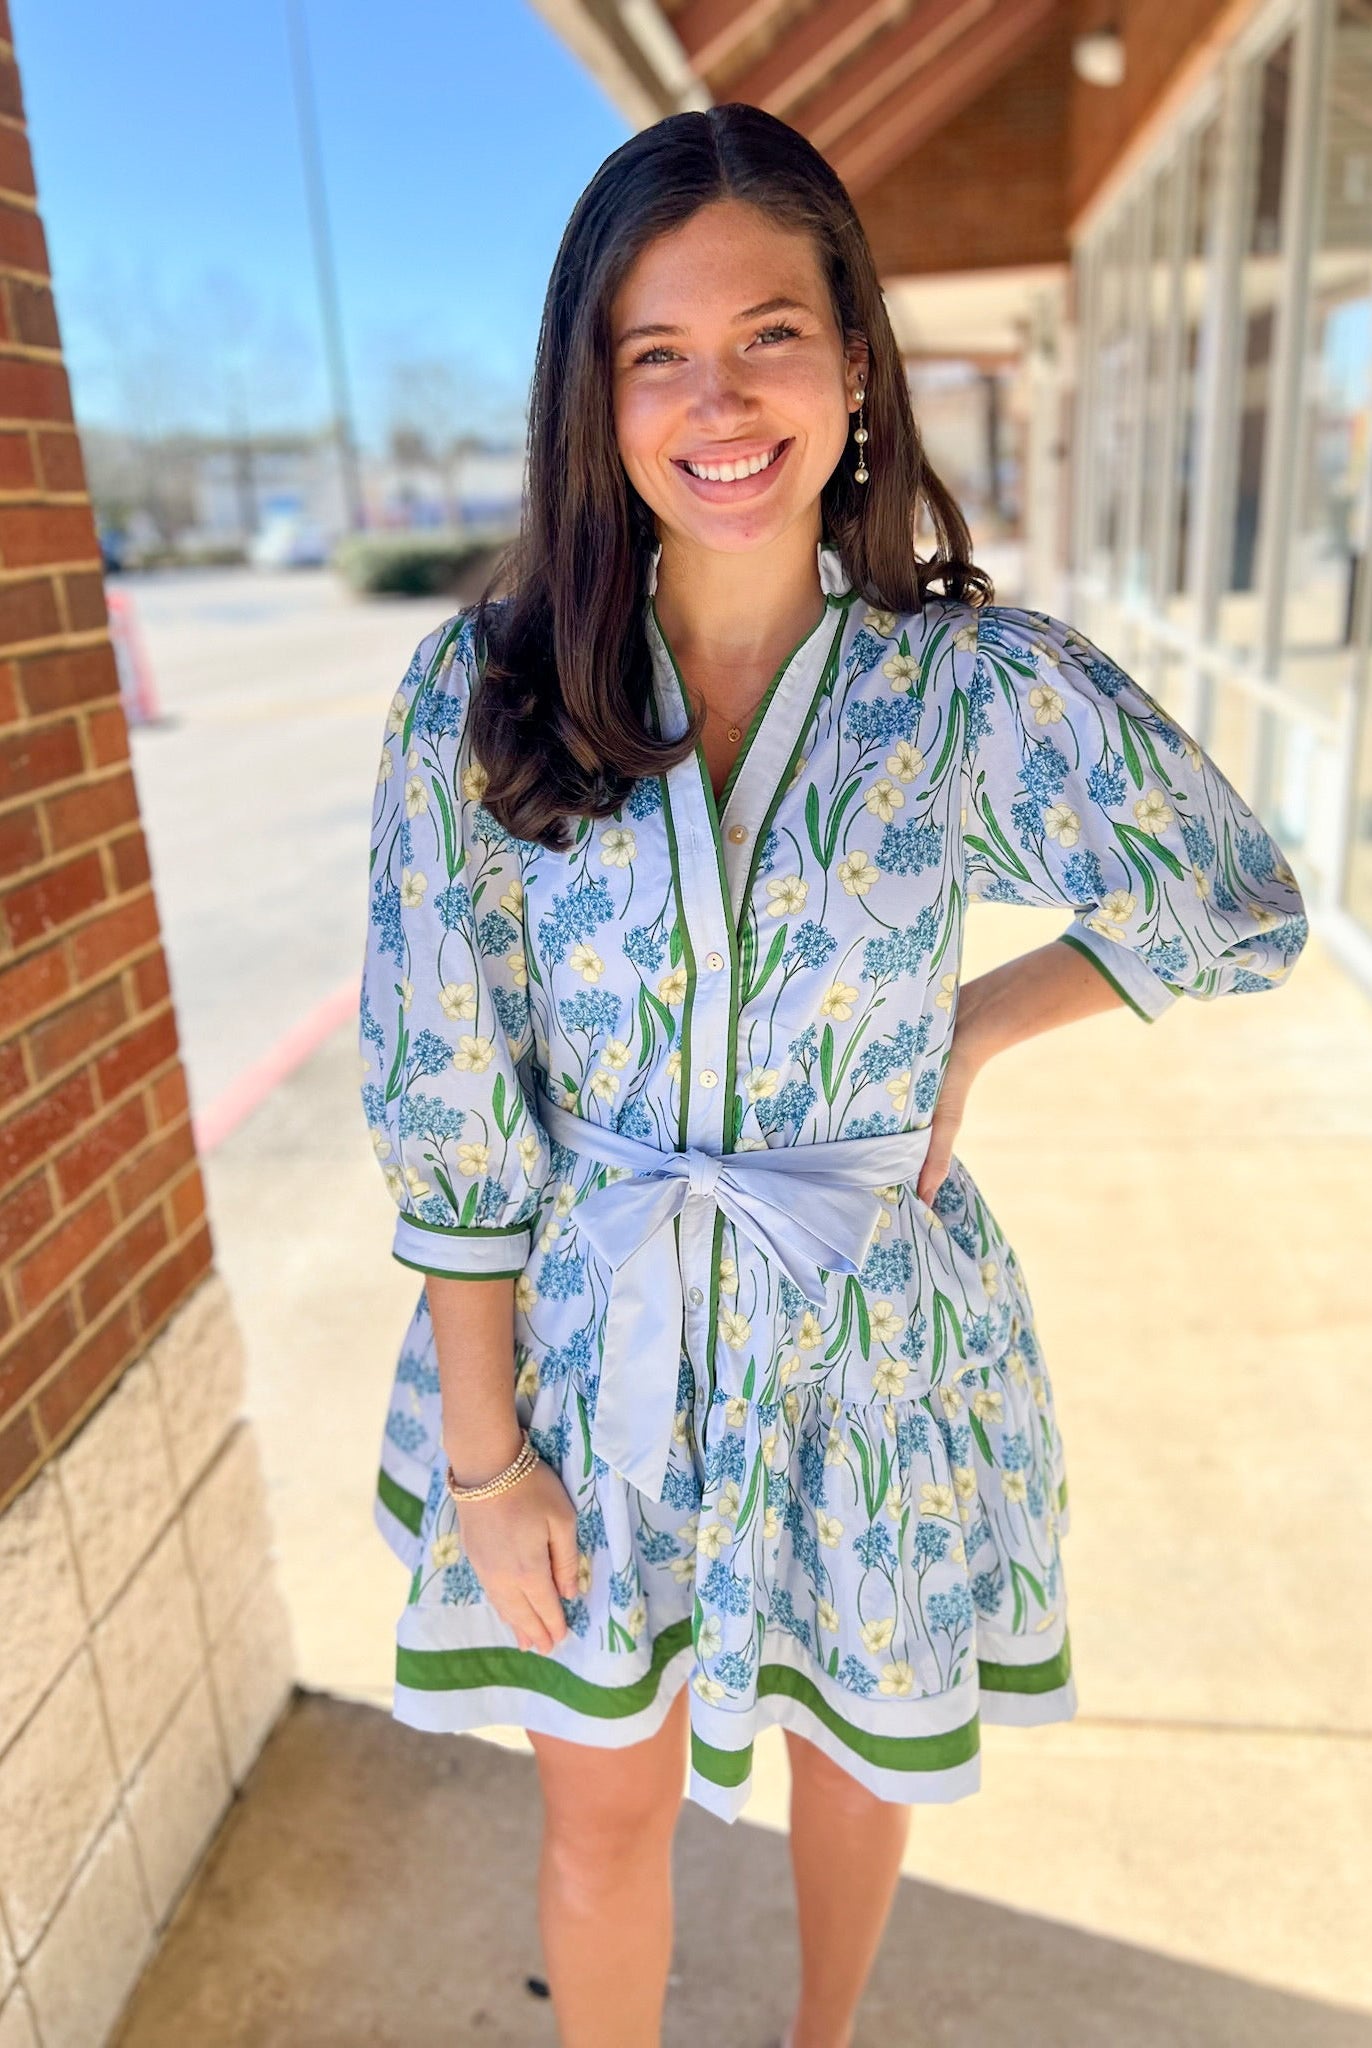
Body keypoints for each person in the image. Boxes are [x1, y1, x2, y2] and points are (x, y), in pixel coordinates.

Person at [357, 103, 1307, 2048]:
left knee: (851, 1768)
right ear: (594, 393)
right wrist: (485, 1456)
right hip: (580, 1356)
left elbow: (1231, 898)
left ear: (853, 360)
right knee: (602, 1810)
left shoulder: (966, 694)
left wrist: (977, 1019)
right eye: (657, 351)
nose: (720, 397)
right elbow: (450, 1100)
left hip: (872, 1350)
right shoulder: (483, 696)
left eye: (768, 333)